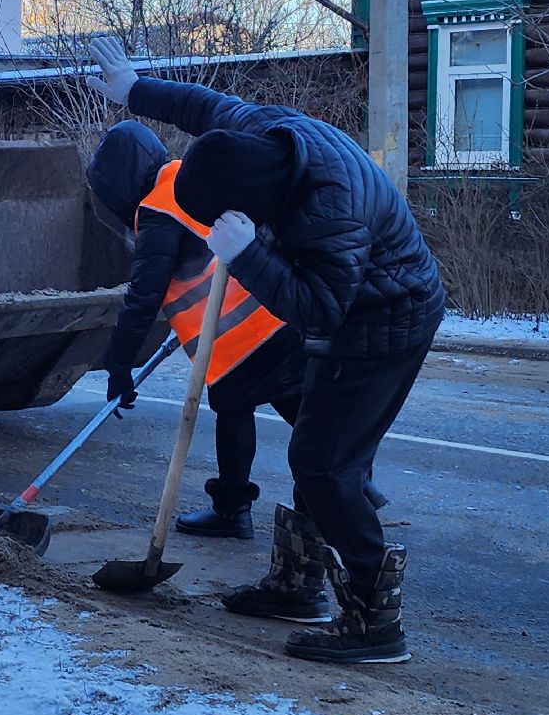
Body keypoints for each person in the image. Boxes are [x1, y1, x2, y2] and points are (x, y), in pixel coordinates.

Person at [87, 36, 446, 665]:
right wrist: (135, 90)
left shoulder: (329, 212)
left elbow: (318, 309)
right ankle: (295, 586)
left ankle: (373, 620)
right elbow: (204, 107)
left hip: (391, 317)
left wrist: (246, 255)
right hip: (356, 303)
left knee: (323, 459)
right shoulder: (266, 132)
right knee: (318, 447)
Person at [87, 121, 306, 543]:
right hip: (278, 312)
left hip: (237, 341)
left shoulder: (156, 210)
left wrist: (118, 364)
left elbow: (144, 295)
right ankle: (348, 478)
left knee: (237, 410)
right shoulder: (190, 176)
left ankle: (233, 510)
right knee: (299, 408)